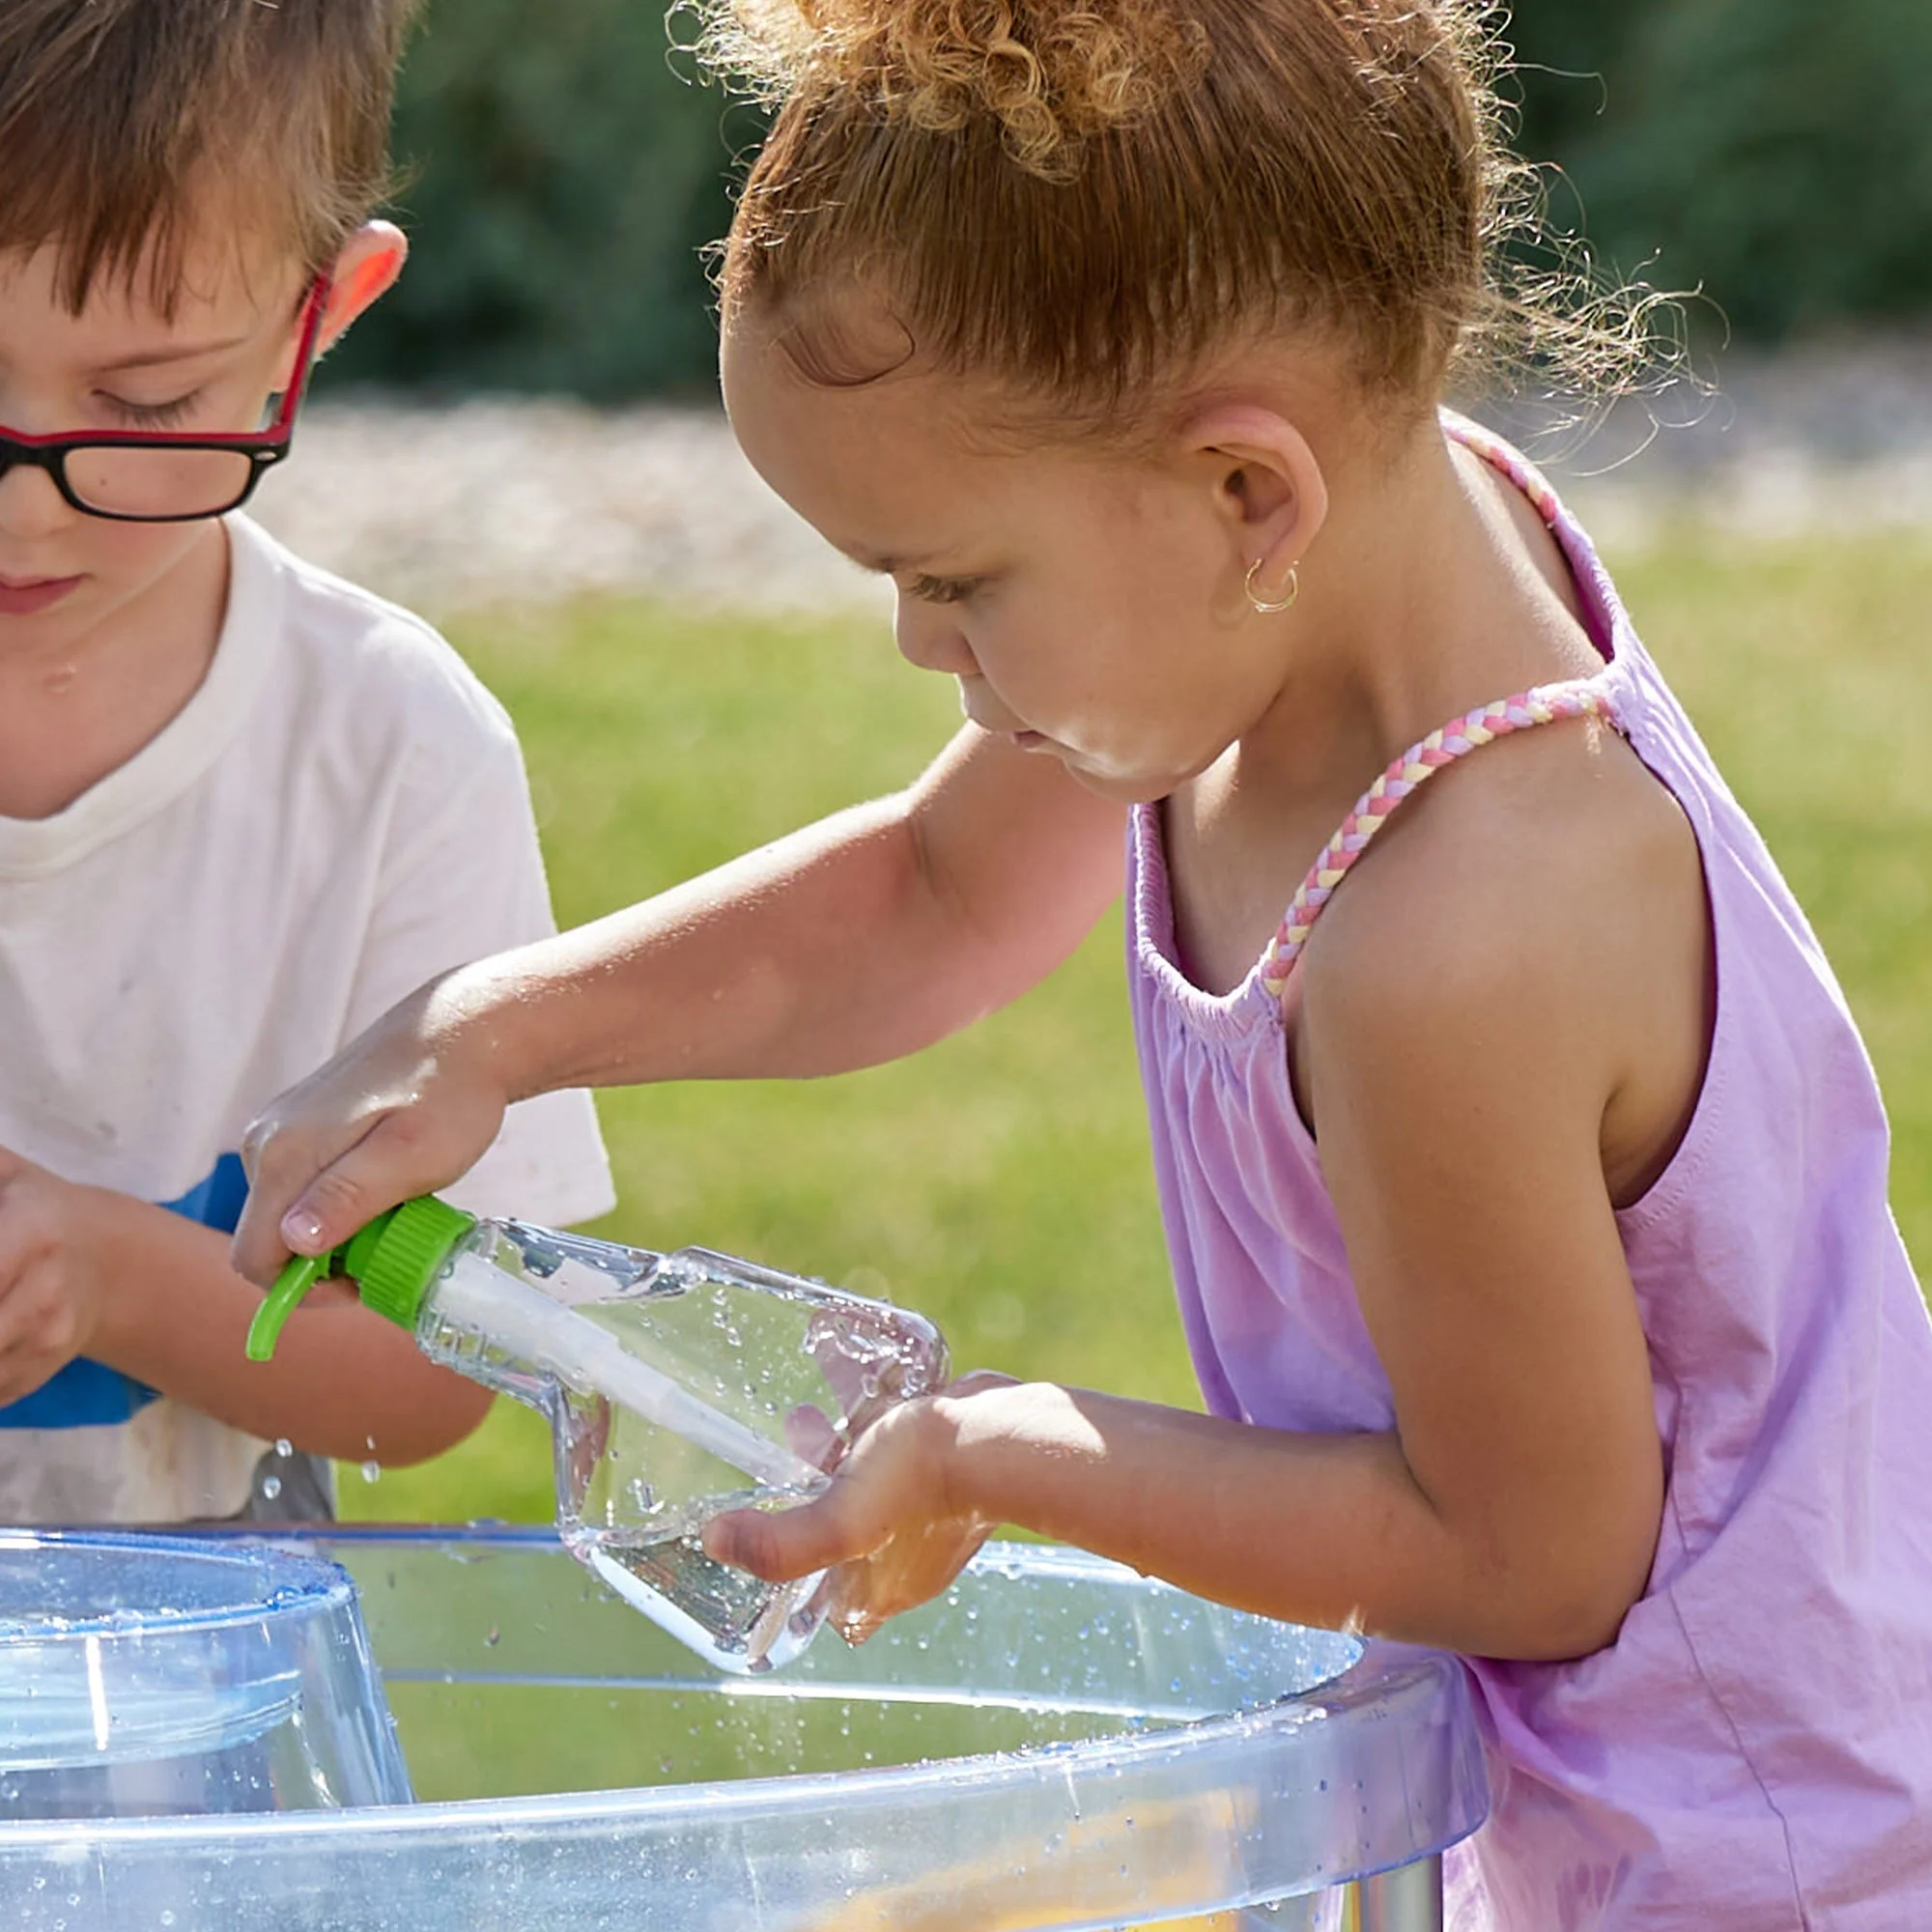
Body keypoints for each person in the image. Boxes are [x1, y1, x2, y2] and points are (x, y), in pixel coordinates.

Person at [231, 0, 1932, 1920]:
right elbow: (933, 896)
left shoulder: (1462, 936)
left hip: (1764, 1860)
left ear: (1245, 494)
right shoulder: (1303, 593)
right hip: (1599, 1813)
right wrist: (496, 1032)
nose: (911, 647)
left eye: (952, 580)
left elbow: (1529, 1548)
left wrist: (995, 1452)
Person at [0, 0, 612, 1523]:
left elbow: (437, 1378)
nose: (25, 509)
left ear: (323, 312)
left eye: (145, 405)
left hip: (211, 1725)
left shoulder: (387, 750)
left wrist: (111, 1283)